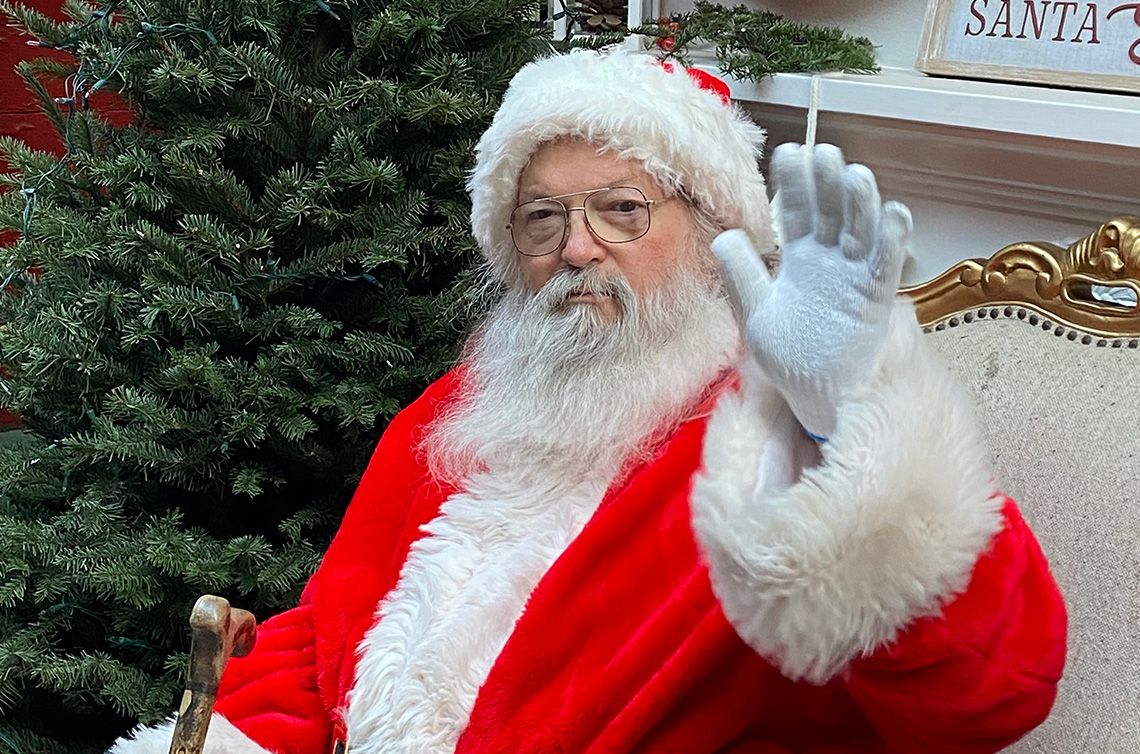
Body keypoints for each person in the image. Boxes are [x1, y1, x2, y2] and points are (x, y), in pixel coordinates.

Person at [110, 49, 1066, 754]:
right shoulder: (456, 413)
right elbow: (326, 640)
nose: (576, 249)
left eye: (622, 208)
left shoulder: (771, 434)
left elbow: (989, 695)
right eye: (543, 219)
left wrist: (848, 424)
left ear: (708, 234)